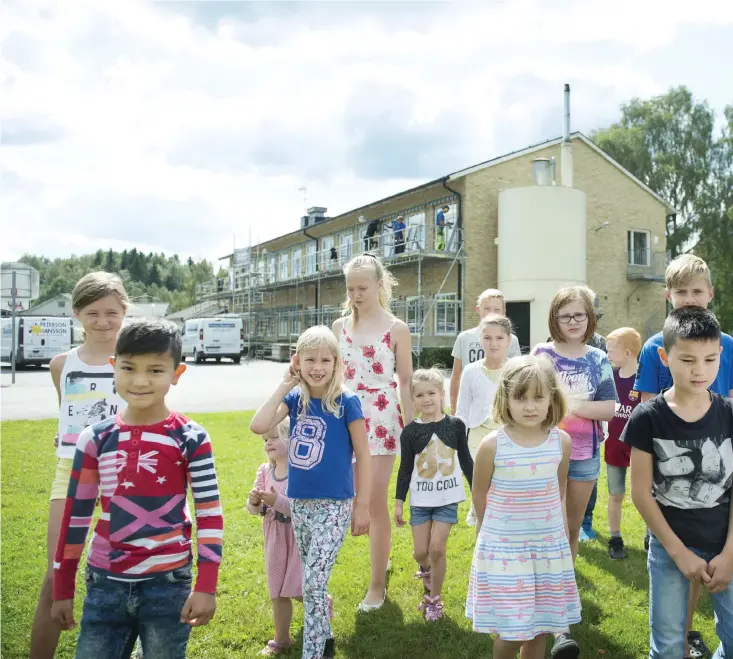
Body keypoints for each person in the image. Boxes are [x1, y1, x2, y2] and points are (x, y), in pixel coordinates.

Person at [51, 320, 223, 658]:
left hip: (168, 584)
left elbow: (209, 512)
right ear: (114, 368)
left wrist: (206, 586)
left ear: (177, 373)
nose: (140, 380)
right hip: (104, 583)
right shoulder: (94, 438)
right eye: (129, 368)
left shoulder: (191, 437)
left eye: (155, 370)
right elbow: (76, 517)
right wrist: (62, 586)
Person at [634, 254, 733, 659]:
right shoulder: (655, 352)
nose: (700, 369)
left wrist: (729, 553)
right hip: (671, 525)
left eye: (710, 361)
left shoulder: (726, 354)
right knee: (670, 638)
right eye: (689, 360)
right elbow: (643, 489)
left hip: (721, 532)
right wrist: (675, 549)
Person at [251, 326, 371, 659]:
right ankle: (327, 638)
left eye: (324, 360)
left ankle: (315, 652)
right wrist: (285, 384)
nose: (317, 367)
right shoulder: (295, 399)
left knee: (313, 582)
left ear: (336, 362)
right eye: (309, 360)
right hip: (301, 505)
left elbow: (364, 454)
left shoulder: (347, 402)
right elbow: (259, 425)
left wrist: (363, 506)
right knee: (313, 580)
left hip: (335, 505)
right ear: (297, 362)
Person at [30, 271, 130, 659]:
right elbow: (69, 415)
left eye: (112, 312)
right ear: (76, 314)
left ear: (125, 311)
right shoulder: (61, 364)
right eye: (93, 313)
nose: (103, 321)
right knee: (56, 572)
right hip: (71, 471)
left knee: (130, 573)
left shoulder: (136, 359)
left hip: (126, 473)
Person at [466, 355, 580, 659]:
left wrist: (561, 539)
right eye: (520, 397)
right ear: (506, 399)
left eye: (538, 397)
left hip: (546, 547)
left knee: (540, 626)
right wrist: (483, 539)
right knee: (513, 632)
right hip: (506, 550)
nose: (530, 406)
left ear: (551, 399)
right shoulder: (492, 445)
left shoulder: (561, 442)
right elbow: (480, 498)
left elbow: (559, 490)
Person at [531, 286, 616, 658]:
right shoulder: (541, 354)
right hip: (544, 453)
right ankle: (540, 588)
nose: (573, 322)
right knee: (545, 526)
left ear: (590, 317)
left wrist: (566, 404)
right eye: (565, 316)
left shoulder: (598, 358)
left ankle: (562, 591)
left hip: (584, 456)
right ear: (554, 318)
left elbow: (610, 408)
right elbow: (531, 401)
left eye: (579, 315)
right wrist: (583, 405)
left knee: (570, 527)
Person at [334, 253, 413, 611]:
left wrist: (413, 429)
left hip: (381, 419)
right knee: (350, 499)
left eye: (362, 287)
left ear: (380, 285)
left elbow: (407, 381)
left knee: (374, 500)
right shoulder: (338, 328)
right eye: (351, 288)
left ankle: (377, 585)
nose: (356, 294)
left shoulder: (397, 328)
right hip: (342, 418)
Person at [394, 368, 473, 621]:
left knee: (437, 549)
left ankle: (434, 601)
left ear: (441, 394)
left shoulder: (456, 426)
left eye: (431, 393)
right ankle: (426, 569)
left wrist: (478, 492)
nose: (426, 399)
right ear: (413, 399)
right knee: (421, 552)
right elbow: (405, 469)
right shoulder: (410, 432)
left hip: (447, 499)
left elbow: (467, 461)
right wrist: (398, 502)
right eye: (419, 395)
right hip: (420, 501)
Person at [247, 420, 304, 656]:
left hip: (298, 536)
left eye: (274, 437)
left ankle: (322, 602)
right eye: (265, 440)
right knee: (278, 590)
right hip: (274, 536)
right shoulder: (264, 472)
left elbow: (301, 509)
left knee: (297, 586)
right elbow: (255, 510)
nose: (268, 443)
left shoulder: (301, 473)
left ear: (292, 440)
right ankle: (281, 639)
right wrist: (254, 502)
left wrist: (276, 502)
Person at [456, 314, 512, 525]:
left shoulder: (515, 369)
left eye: (499, 338)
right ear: (480, 339)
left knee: (503, 487)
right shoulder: (471, 371)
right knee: (481, 488)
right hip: (477, 439)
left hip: (507, 437)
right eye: (487, 338)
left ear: (508, 340)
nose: (493, 343)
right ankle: (480, 523)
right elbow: (462, 410)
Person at [603, 327, 643, 560]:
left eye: (611, 350)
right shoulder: (610, 378)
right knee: (615, 494)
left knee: (645, 493)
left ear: (627, 353)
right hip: (614, 446)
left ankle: (652, 535)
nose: (607, 354)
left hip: (640, 448)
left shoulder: (645, 380)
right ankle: (615, 537)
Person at [450, 289, 521, 415]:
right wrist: (454, 409)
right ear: (478, 309)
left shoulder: (511, 340)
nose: (491, 313)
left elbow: (517, 377)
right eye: (487, 308)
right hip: (471, 405)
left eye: (496, 310)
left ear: (504, 312)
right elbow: (456, 377)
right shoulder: (464, 337)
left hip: (500, 407)